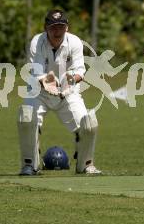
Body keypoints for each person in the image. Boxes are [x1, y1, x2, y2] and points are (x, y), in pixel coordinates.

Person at [17, 9, 101, 176]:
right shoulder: (37, 42)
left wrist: (70, 81)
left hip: (67, 92)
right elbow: (37, 71)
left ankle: (85, 164)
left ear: (67, 28)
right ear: (46, 28)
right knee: (27, 118)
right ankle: (30, 165)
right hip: (39, 92)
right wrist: (45, 81)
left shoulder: (75, 42)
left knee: (88, 124)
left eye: (61, 27)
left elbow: (80, 72)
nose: (57, 31)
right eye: (53, 27)